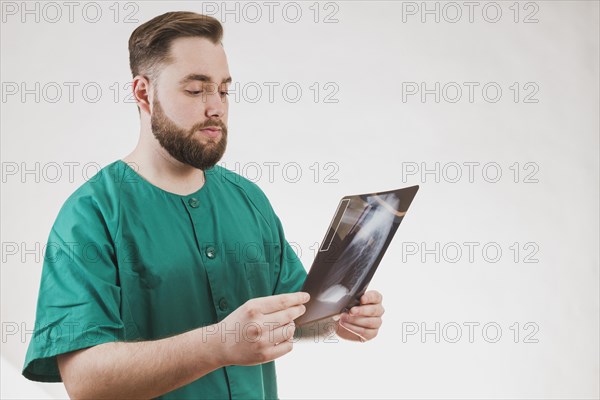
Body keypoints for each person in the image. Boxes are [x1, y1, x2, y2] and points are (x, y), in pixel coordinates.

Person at [22, 11, 385, 399]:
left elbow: (295, 314)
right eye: (196, 91)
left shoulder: (248, 200)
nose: (216, 107)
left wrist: (338, 315)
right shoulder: (91, 214)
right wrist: (216, 345)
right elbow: (85, 380)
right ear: (144, 93)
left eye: (224, 90)